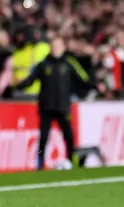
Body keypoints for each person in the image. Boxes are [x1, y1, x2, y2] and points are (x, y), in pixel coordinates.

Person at [13, 36, 95, 170]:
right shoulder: (43, 64)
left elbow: (82, 80)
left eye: (58, 46)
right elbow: (30, 80)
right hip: (46, 108)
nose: (56, 49)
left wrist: (95, 86)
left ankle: (70, 160)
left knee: (69, 136)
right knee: (43, 138)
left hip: (63, 107)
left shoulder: (69, 63)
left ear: (63, 48)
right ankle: (39, 164)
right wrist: (18, 85)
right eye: (54, 46)